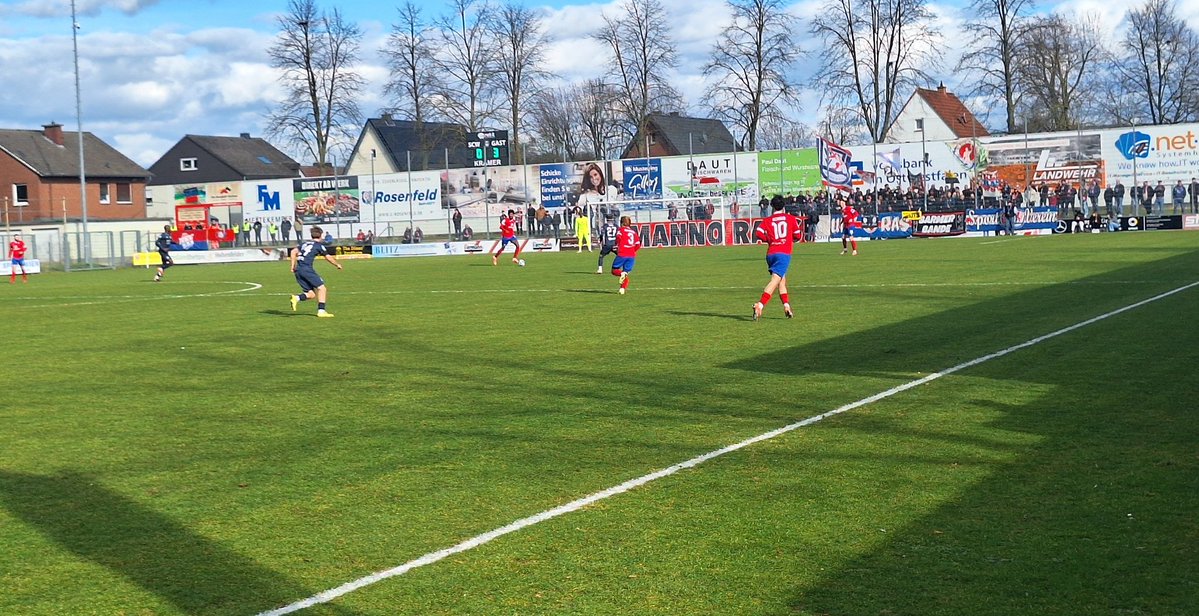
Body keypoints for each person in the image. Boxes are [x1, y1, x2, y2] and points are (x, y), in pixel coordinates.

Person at [752, 195, 803, 321]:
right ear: (784, 206)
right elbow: (798, 235)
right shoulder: (790, 218)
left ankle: (786, 306)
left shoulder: (767, 220)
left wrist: (769, 240)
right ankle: (760, 304)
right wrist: (788, 239)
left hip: (771, 254)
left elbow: (758, 233)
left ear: (772, 206)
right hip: (783, 254)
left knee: (782, 281)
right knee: (775, 280)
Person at [289, 226, 343, 318]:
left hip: (298, 270)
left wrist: (292, 266)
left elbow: (293, 252)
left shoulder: (304, 244)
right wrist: (337, 264)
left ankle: (296, 298)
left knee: (311, 294)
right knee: (322, 288)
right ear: (321, 235)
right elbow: (328, 257)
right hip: (306, 269)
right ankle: (321, 311)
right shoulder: (319, 246)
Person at [610, 215, 641, 295]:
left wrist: (617, 246)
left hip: (622, 253)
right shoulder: (634, 232)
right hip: (631, 255)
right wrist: (632, 250)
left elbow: (618, 238)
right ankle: (622, 289)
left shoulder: (621, 230)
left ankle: (621, 274)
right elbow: (638, 245)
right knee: (625, 272)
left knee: (614, 270)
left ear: (621, 223)